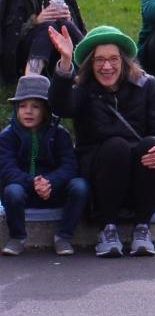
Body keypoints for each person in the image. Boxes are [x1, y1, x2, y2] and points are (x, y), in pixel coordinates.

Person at [47, 25, 155, 258]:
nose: (106, 66)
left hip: (143, 180)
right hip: (101, 178)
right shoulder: (83, 88)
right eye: (99, 60)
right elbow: (61, 106)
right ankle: (107, 229)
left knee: (151, 144)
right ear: (90, 63)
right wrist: (66, 62)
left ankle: (142, 229)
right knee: (116, 146)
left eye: (113, 59)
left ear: (124, 61)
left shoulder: (147, 84)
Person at [0, 75, 89, 256]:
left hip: (53, 189)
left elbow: (69, 166)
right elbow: (7, 168)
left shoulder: (59, 134)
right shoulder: (7, 136)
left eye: (35, 106)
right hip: (23, 189)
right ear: (16, 109)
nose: (28, 111)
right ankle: (17, 237)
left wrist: (50, 182)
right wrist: (32, 181)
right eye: (23, 106)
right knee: (12, 191)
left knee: (80, 187)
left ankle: (63, 236)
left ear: (47, 109)